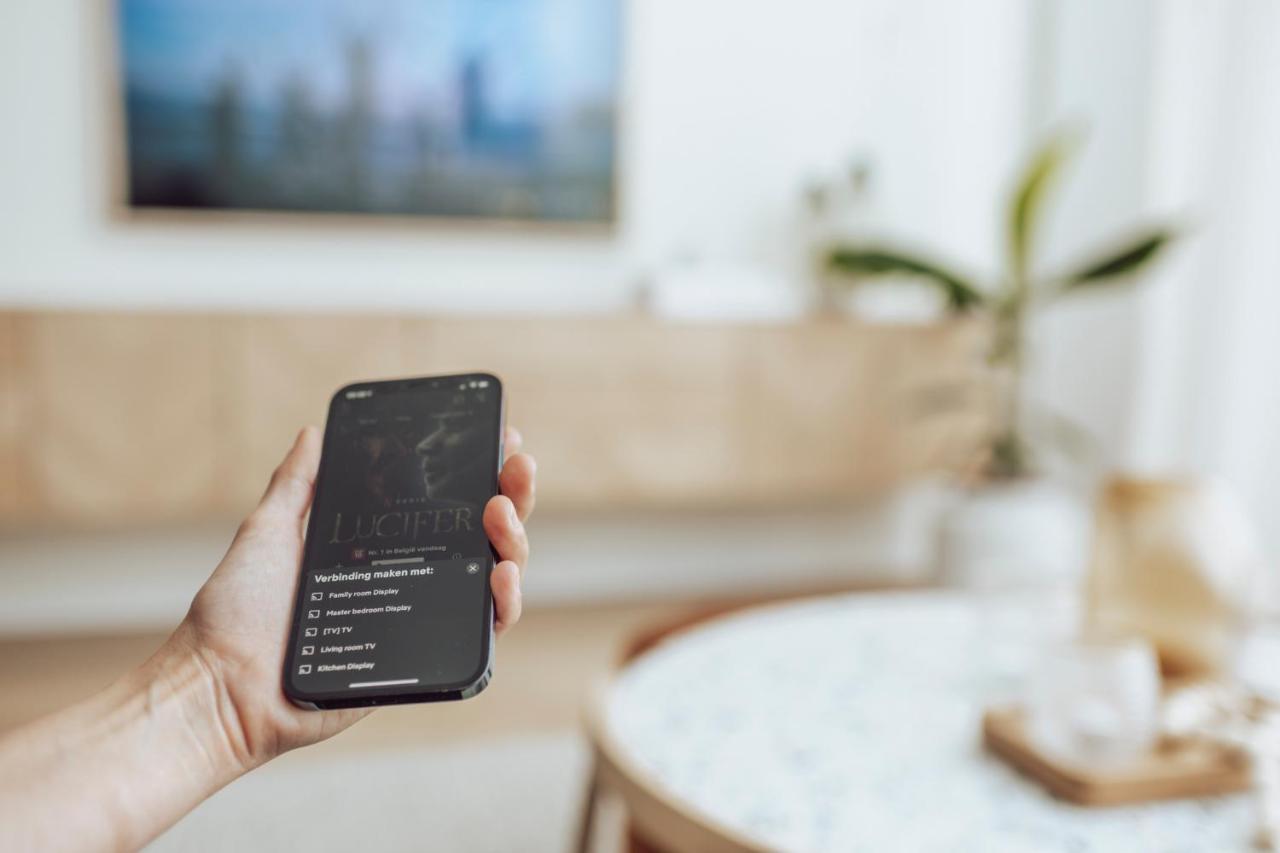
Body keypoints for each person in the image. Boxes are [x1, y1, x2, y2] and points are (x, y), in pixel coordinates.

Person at [0, 425, 537, 851]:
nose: (399, 465)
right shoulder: (344, 541)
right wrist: (215, 687)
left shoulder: (449, 523)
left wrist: (213, 691)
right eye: (381, 459)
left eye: (402, 454)